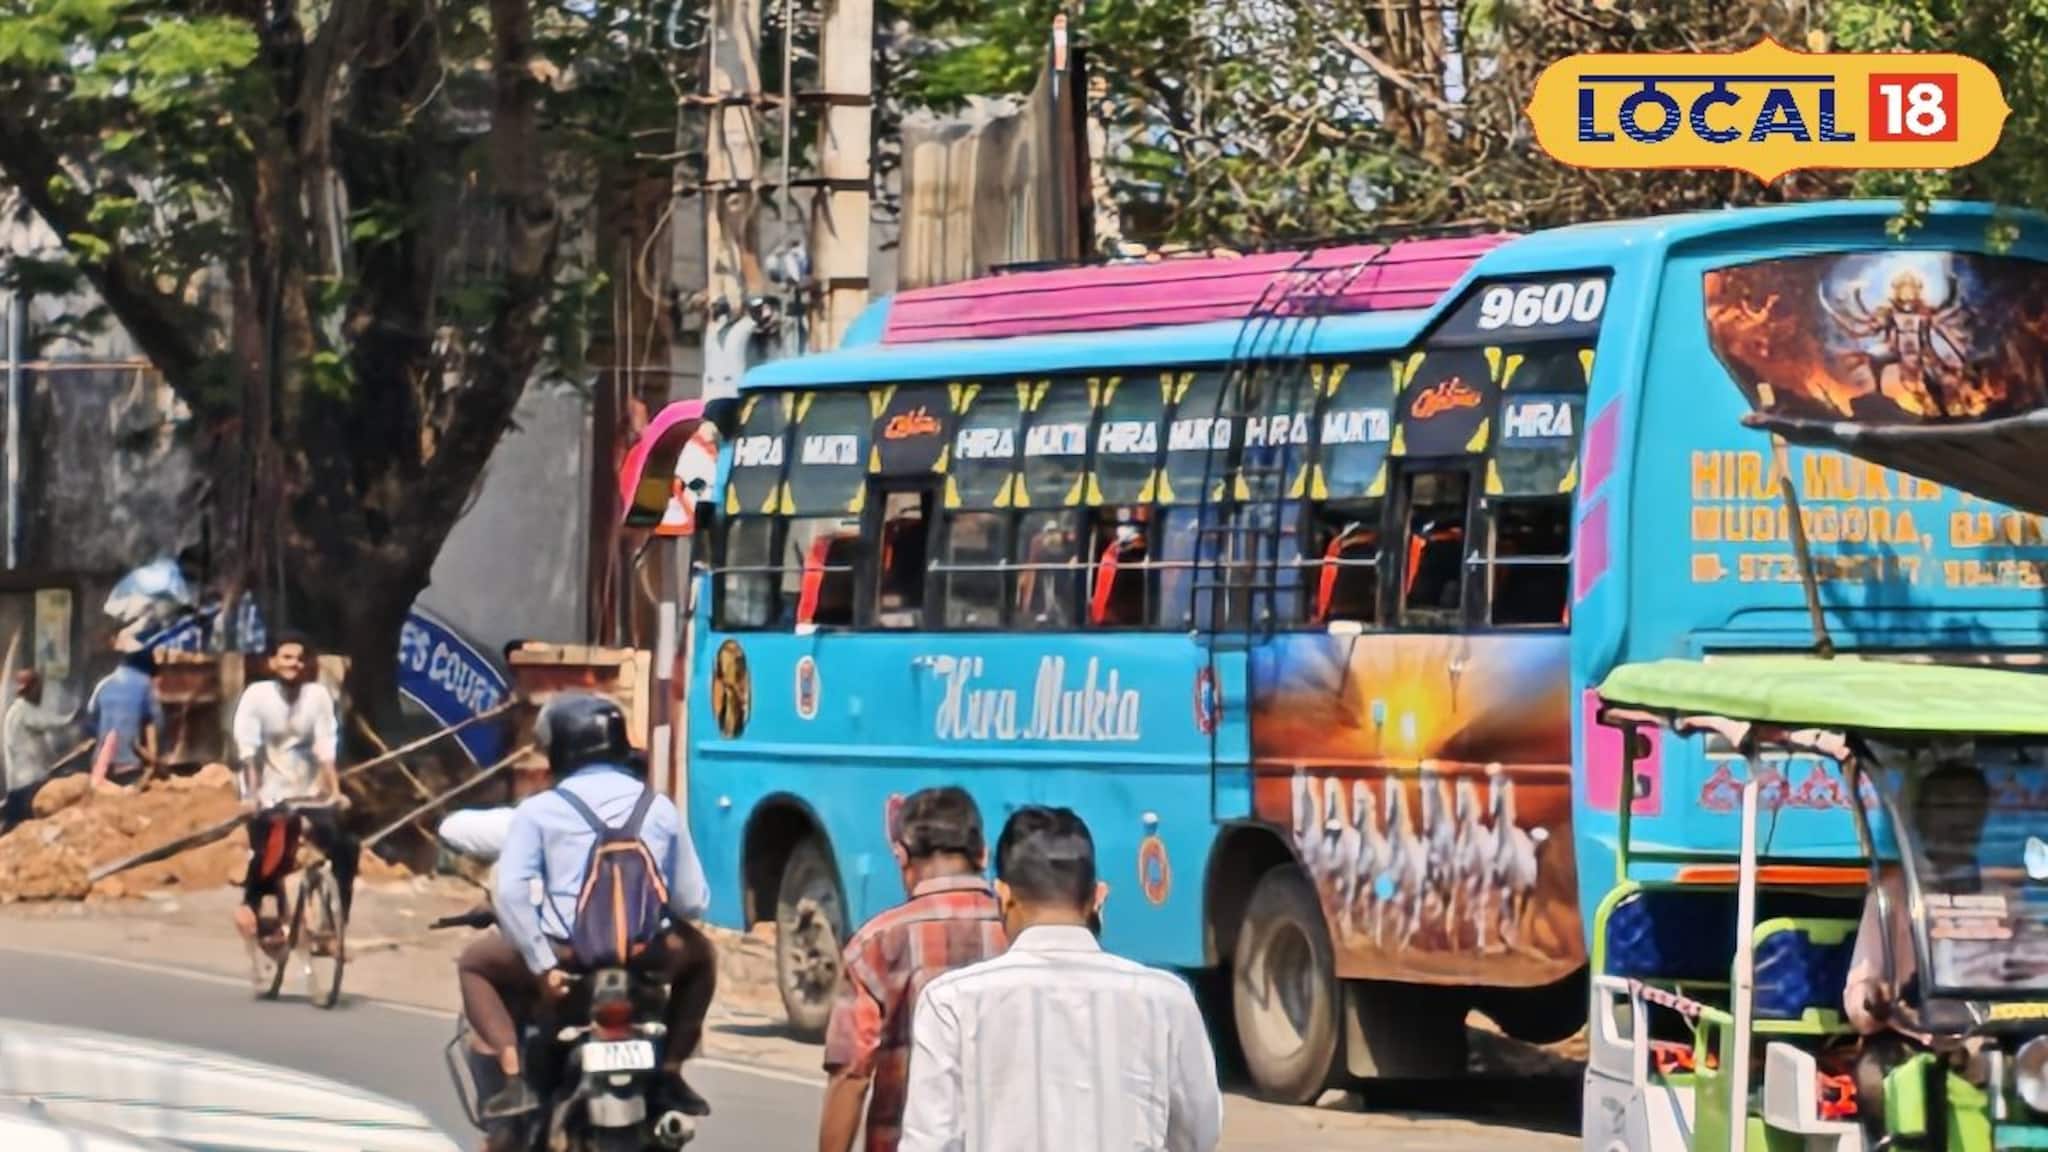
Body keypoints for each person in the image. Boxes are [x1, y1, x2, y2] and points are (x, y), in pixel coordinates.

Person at [898, 806, 1222, 1152]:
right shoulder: (1167, 1000)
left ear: (1003, 896)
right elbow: (1198, 1136)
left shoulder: (950, 1002)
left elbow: (929, 1142)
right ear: (1097, 898)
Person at [462, 693, 715, 1125]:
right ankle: (672, 1070)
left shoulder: (540, 810)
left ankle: (513, 1075)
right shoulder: (658, 807)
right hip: (646, 955)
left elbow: (511, 892)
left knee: (474, 963)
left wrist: (543, 965)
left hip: (566, 956)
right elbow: (692, 901)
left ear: (560, 750)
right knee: (704, 956)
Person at [819, 787, 1007, 1152]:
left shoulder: (874, 944)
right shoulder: (1020, 934)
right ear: (983, 854)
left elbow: (851, 1075)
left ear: (901, 855)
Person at [1845, 759, 1990, 1132]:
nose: (1957, 821)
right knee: (1879, 1085)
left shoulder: (2003, 892)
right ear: (1922, 819)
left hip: (1988, 1038)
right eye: (1946, 807)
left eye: (1969, 808)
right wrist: (1873, 999)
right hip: (1909, 1038)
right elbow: (1861, 986)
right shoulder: (1891, 894)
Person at [232, 632, 359, 951]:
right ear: (272, 662)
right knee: (272, 849)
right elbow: (249, 750)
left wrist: (335, 791)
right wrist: (253, 796)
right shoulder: (257, 696)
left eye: (300, 659)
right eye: (287, 658)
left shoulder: (318, 696)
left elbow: (326, 747)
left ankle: (334, 928)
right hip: (267, 790)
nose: (294, 664)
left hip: (307, 791)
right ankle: (251, 905)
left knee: (346, 847)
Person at [86, 642, 164, 790]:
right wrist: (151, 757)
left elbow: (90, 723)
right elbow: (157, 724)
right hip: (130, 768)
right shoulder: (146, 685)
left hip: (101, 768)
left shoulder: (103, 684)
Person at [4, 669, 77, 829]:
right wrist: (73, 718)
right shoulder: (24, 710)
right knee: (33, 827)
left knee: (14, 828)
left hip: (17, 783)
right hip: (29, 782)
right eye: (39, 688)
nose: (41, 693)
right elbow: (49, 723)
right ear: (32, 688)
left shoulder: (16, 711)